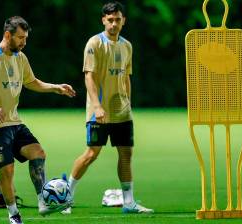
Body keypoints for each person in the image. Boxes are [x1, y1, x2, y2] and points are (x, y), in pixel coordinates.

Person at [0, 16, 76, 224]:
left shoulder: (20, 57)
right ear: (8, 35)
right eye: (20, 38)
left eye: (26, 38)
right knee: (7, 170)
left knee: (38, 153)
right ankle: (14, 215)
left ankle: (43, 201)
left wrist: (56, 88)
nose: (24, 42)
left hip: (14, 122)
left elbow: (31, 82)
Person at [63, 1, 153, 214]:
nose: (113, 24)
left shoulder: (127, 45)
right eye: (110, 20)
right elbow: (89, 77)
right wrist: (97, 106)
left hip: (122, 111)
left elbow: (126, 77)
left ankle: (129, 202)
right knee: (91, 154)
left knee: (126, 154)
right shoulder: (94, 43)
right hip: (99, 111)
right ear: (103, 20)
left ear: (124, 21)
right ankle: (66, 198)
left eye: (117, 20)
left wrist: (128, 103)